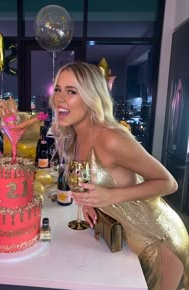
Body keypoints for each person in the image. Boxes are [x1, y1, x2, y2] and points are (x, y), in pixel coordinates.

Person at [49, 61, 189, 290]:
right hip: (128, 241)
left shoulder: (110, 138)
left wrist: (109, 197)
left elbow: (169, 183)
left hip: (158, 241)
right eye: (58, 89)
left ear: (90, 97)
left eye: (71, 91)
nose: (59, 98)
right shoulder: (74, 136)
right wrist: (90, 203)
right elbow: (95, 180)